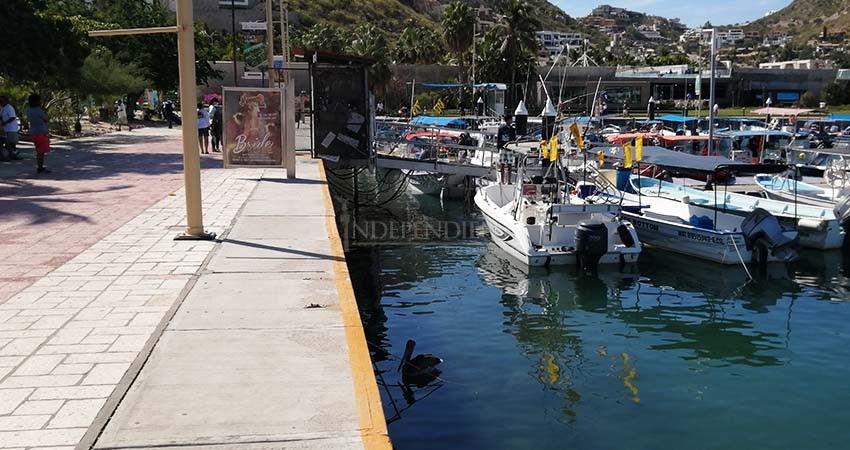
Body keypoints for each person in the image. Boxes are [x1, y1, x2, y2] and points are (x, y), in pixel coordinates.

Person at [26, 94, 50, 174]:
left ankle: (40, 166)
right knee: (41, 151)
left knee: (38, 150)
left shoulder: (29, 110)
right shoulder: (38, 110)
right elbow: (46, 119)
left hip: (33, 132)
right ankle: (40, 167)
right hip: (41, 131)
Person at [497, 115, 517, 184]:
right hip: (504, 148)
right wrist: (498, 147)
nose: (511, 121)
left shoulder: (511, 129)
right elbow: (499, 138)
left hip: (508, 148)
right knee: (505, 165)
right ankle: (504, 181)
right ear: (507, 120)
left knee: (507, 165)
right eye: (510, 120)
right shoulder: (502, 128)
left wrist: (514, 148)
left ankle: (507, 181)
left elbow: (513, 139)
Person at [0, 95, 21, 161]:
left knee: (11, 143)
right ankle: (10, 155)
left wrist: (5, 122)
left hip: (11, 128)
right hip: (5, 129)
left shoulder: (9, 107)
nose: (0, 102)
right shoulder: (2, 108)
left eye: (2, 101)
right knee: (7, 142)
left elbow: (12, 117)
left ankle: (12, 155)